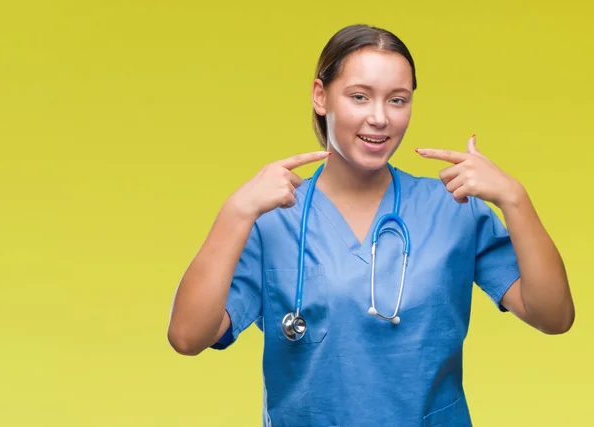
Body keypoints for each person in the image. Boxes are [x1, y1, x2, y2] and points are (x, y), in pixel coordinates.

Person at [167, 24, 575, 426]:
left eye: (397, 100)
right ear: (320, 96)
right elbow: (187, 337)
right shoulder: (273, 218)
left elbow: (554, 317)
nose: (379, 118)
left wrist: (515, 199)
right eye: (359, 97)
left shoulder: (453, 208)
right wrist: (235, 211)